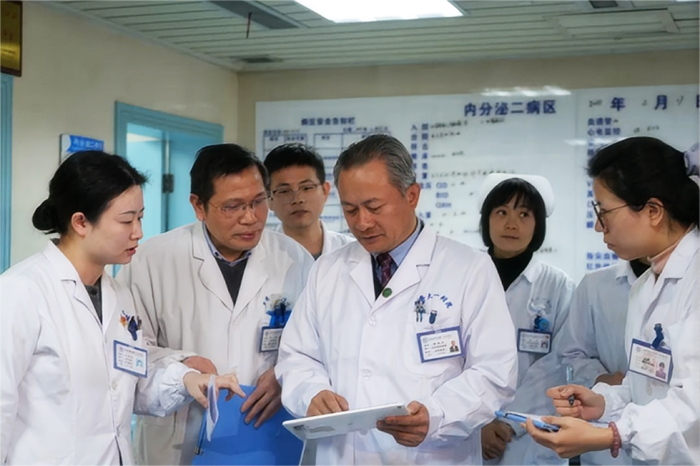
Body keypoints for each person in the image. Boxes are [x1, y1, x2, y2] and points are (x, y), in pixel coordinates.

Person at [276, 134, 518, 464]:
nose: (362, 222)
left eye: (374, 207)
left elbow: (494, 372)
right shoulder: (328, 270)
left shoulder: (469, 269)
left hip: (430, 455)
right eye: (350, 210)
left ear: (412, 195)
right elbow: (297, 356)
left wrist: (438, 414)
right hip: (343, 454)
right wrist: (312, 393)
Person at [0, 151, 243, 465]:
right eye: (127, 220)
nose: (138, 232)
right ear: (81, 222)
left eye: (140, 218)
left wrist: (186, 379)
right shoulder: (21, 292)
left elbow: (128, 382)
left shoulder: (118, 296)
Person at [118, 144, 314, 465]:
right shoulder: (152, 261)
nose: (250, 217)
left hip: (265, 437)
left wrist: (285, 375)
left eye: (258, 201)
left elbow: (315, 347)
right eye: (233, 206)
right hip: (178, 437)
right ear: (198, 205)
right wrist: (182, 365)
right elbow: (129, 354)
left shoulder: (294, 259)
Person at [525, 137, 699, 465]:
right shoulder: (646, 285)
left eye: (604, 212)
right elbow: (645, 385)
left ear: (653, 211)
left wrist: (612, 435)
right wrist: (603, 403)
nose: (597, 226)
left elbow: (693, 406)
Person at [476, 174, 575, 465]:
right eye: (501, 212)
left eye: (524, 215)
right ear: (486, 220)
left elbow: (557, 364)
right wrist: (478, 422)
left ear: (538, 225)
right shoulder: (464, 276)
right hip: (471, 431)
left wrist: (507, 422)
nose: (511, 224)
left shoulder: (558, 286)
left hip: (533, 437)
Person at [557, 259, 649, 465]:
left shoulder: (687, 285)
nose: (606, 243)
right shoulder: (595, 284)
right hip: (604, 446)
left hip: (670, 443)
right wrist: (601, 380)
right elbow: (571, 351)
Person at [264, 143, 354, 258]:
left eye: (306, 188)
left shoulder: (351, 250)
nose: (297, 199)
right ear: (268, 199)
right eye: (284, 191)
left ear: (325, 191)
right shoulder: (260, 255)